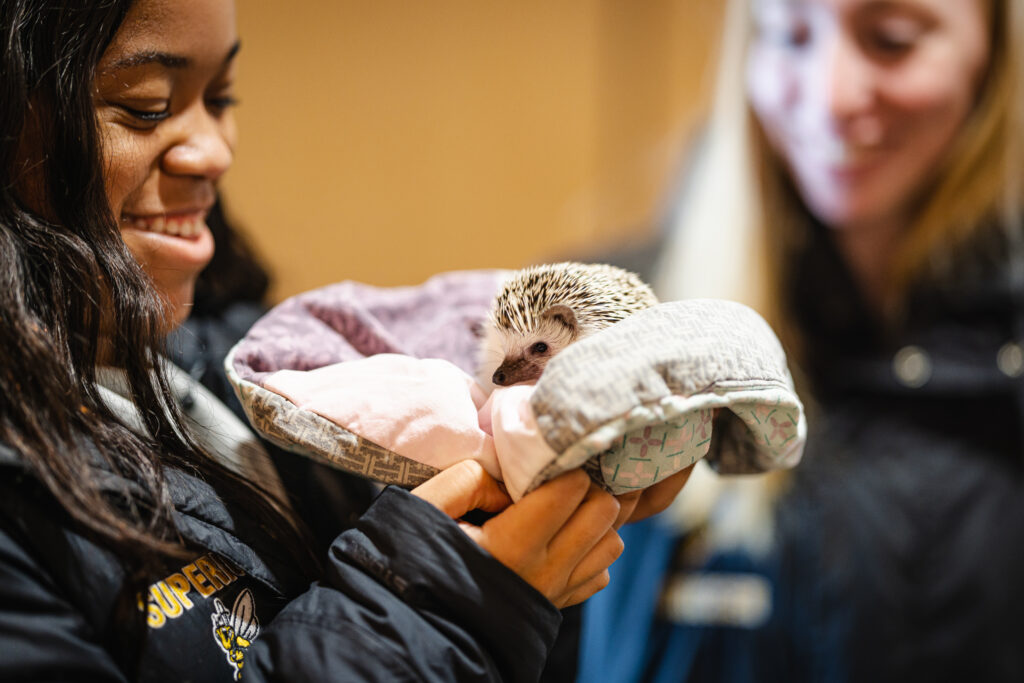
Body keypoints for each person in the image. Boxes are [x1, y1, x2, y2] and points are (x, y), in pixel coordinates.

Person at [0, 1, 698, 680]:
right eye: (146, 104)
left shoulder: (259, 363)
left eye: (222, 96)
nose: (216, 150)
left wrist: (540, 549)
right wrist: (442, 606)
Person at [579, 0, 1024, 681]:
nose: (831, 95)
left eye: (892, 40)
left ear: (992, 53)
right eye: (788, 35)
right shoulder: (615, 331)